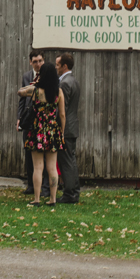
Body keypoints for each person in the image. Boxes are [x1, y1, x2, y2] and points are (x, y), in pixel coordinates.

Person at [19, 58, 64, 206]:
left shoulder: (35, 90)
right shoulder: (59, 92)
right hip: (52, 129)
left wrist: (35, 82)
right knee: (52, 167)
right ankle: (52, 199)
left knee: (38, 167)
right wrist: (61, 132)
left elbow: (20, 92)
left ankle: (37, 198)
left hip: (37, 129)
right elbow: (62, 115)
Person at [18, 50, 50, 196]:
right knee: (29, 153)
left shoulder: (48, 76)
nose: (38, 64)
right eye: (35, 61)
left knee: (42, 154)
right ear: (31, 62)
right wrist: (20, 117)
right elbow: (22, 100)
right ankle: (31, 185)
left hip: (42, 120)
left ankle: (44, 187)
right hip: (29, 119)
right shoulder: (26, 76)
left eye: (40, 61)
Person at [56, 52, 81, 204]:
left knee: (66, 162)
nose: (56, 68)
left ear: (64, 66)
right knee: (70, 160)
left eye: (58, 65)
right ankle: (74, 192)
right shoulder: (74, 81)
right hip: (73, 126)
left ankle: (70, 193)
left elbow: (62, 110)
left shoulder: (64, 83)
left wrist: (60, 129)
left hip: (66, 128)